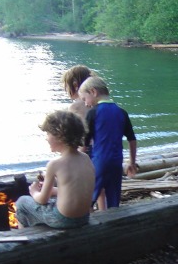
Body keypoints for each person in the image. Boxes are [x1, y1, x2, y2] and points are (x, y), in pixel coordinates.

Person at [15, 110, 95, 229]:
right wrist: (53, 190)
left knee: (22, 202)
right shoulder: (86, 158)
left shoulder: (55, 164)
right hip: (83, 218)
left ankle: (25, 237)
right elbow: (79, 190)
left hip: (62, 220)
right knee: (52, 202)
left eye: (48, 134)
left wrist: (34, 192)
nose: (46, 138)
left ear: (59, 136)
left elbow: (42, 200)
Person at [78, 76, 138, 211]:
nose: (86, 104)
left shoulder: (93, 113)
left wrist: (78, 162)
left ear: (93, 92)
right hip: (117, 162)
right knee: (114, 200)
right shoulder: (122, 112)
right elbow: (132, 139)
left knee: (89, 197)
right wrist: (132, 162)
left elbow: (85, 143)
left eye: (84, 99)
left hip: (99, 162)